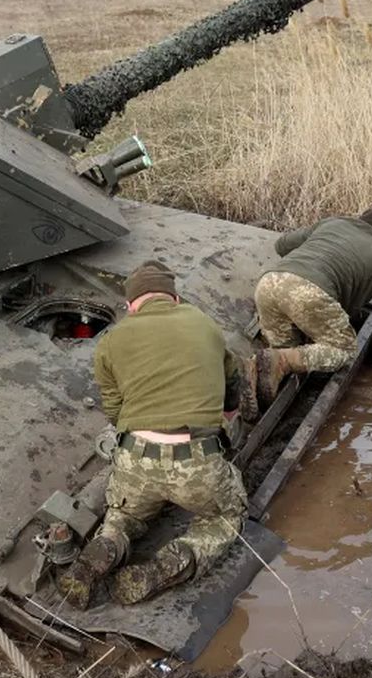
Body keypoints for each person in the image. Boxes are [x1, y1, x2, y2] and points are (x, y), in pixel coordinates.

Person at [58, 261, 248, 609]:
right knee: (226, 516)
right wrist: (230, 415)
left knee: (123, 517)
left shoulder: (111, 341)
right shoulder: (204, 324)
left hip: (136, 459)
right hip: (198, 461)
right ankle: (165, 568)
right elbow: (232, 384)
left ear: (131, 305)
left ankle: (98, 555)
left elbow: (114, 411)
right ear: (175, 297)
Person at [250, 206, 372, 404]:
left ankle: (252, 375)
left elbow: (281, 246)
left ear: (361, 220)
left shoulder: (333, 222)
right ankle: (282, 361)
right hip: (309, 293)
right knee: (343, 350)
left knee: (283, 354)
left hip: (268, 284)